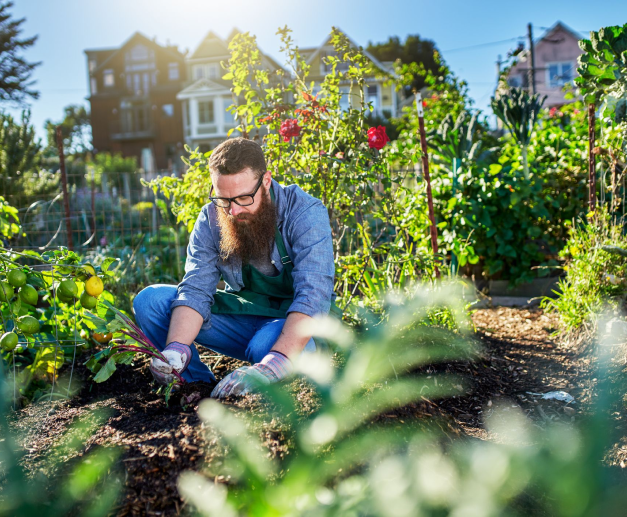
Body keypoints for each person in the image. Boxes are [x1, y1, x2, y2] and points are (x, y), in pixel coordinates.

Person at [132, 138, 337, 399]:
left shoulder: (304, 212)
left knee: (265, 345)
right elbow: (195, 289)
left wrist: (271, 365)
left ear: (266, 181)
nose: (233, 211)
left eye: (243, 198)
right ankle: (195, 386)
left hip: (295, 327)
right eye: (223, 199)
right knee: (151, 302)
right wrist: (175, 348)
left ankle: (272, 376)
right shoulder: (211, 219)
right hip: (246, 317)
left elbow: (313, 297)